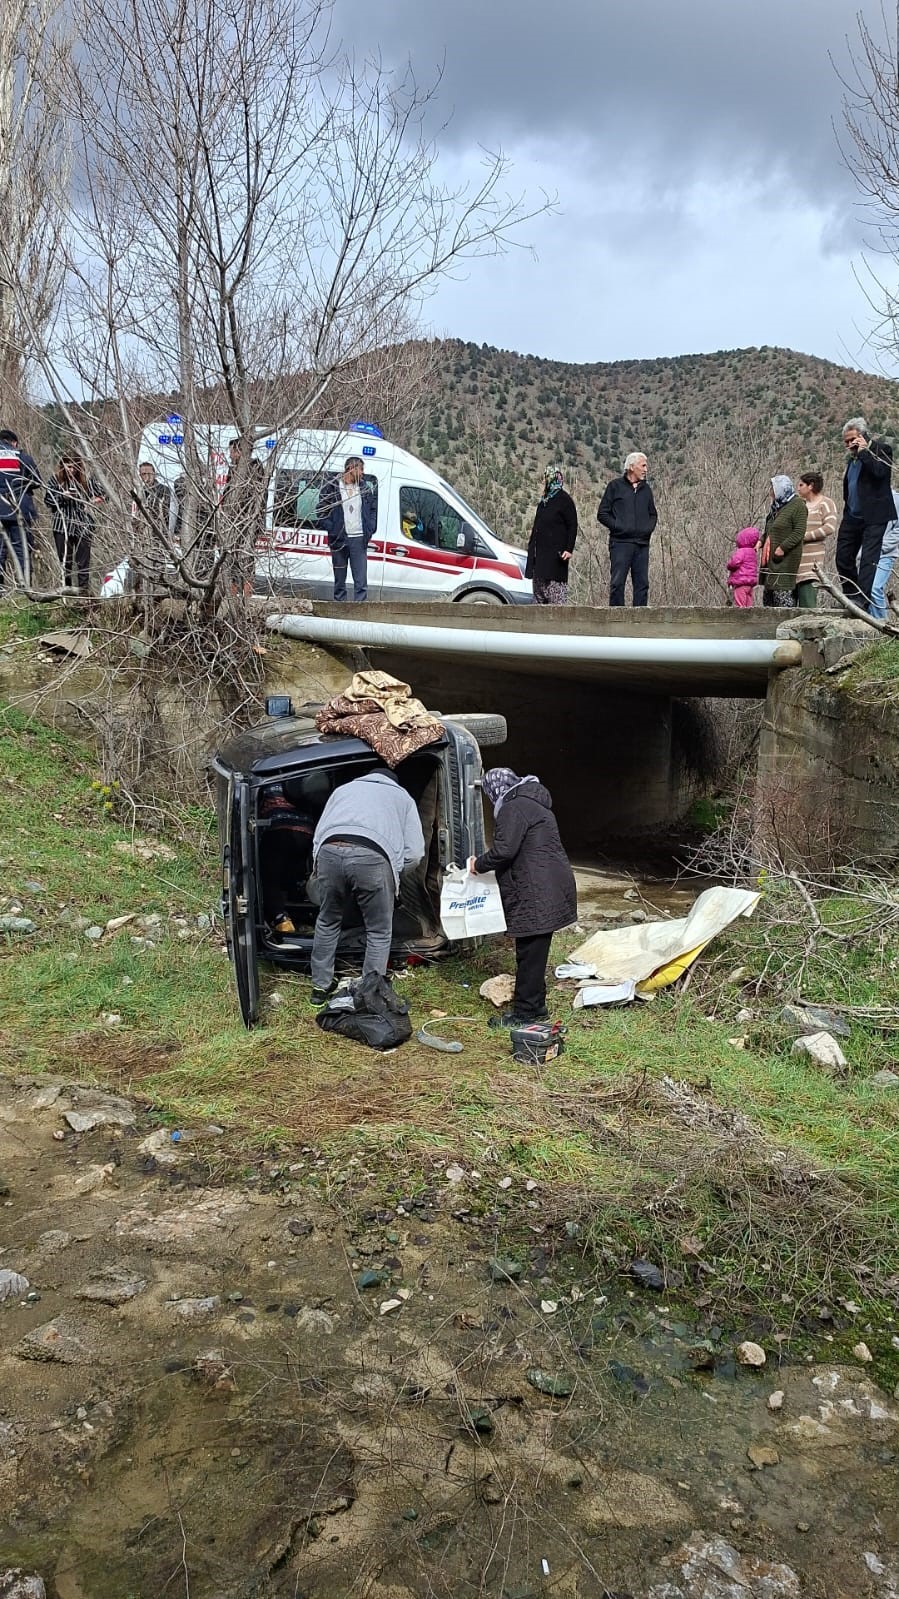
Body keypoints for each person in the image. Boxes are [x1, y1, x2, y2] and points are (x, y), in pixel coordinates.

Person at [468, 767, 577, 1029]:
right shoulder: (533, 803)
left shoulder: (513, 806)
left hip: (536, 892)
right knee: (534, 952)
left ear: (496, 789)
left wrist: (478, 864)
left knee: (529, 953)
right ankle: (535, 1007)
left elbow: (505, 850)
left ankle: (526, 1014)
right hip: (547, 887)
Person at [309, 768, 424, 1003]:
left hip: (329, 850)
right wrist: (393, 874)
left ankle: (319, 988)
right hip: (373, 856)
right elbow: (415, 853)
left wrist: (318, 865)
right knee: (379, 930)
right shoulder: (402, 797)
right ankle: (370, 992)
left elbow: (318, 834)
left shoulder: (343, 790)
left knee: (328, 920)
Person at [836, 418, 894, 609]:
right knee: (843, 557)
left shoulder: (882, 450)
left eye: (851, 439)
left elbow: (879, 473)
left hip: (874, 517)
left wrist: (864, 452)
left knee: (869, 560)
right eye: (845, 441)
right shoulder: (852, 459)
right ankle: (851, 596)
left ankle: (862, 600)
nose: (848, 445)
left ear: (862, 436)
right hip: (852, 516)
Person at [597, 451, 657, 607]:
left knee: (642, 585)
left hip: (642, 545)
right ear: (631, 467)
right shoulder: (615, 487)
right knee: (617, 584)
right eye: (643, 465)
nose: (646, 469)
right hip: (620, 543)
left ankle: (640, 621)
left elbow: (653, 515)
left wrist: (647, 530)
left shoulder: (646, 490)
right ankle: (616, 620)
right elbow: (602, 513)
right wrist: (618, 526)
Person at [258, 781, 316, 937]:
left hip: (278, 829)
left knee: (270, 877)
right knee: (294, 874)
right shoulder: (304, 778)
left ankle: (280, 918)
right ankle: (302, 917)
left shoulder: (266, 778)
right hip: (306, 832)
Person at [317, 456, 376, 602]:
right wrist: (333, 529)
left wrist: (371, 527)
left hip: (359, 539)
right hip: (339, 540)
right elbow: (321, 512)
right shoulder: (331, 487)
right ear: (350, 468)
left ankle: (359, 614)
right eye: (360, 469)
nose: (363, 473)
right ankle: (339, 612)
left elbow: (373, 509)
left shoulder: (364, 489)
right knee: (339, 582)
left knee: (361, 582)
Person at [45, 454, 104, 593]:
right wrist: (63, 496)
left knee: (83, 561)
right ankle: (66, 589)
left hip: (83, 522)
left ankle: (84, 591)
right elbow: (48, 500)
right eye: (68, 466)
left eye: (74, 467)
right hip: (62, 523)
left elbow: (102, 494)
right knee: (65, 559)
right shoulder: (55, 480)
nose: (71, 470)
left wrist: (92, 501)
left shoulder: (86, 481)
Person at [525, 465, 577, 604]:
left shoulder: (564, 500)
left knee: (556, 603)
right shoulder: (544, 501)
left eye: (545, 478)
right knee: (539, 601)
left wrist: (568, 549)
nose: (543, 481)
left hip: (555, 559)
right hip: (540, 560)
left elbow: (572, 525)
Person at [220, 437, 265, 595]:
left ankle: (246, 592)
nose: (230, 455)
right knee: (231, 557)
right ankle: (231, 592)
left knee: (246, 558)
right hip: (232, 521)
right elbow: (228, 495)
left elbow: (256, 498)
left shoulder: (255, 468)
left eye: (232, 451)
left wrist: (256, 522)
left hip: (247, 521)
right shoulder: (233, 470)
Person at [0, 427, 41, 587]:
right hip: (19, 508)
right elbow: (37, 481)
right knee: (21, 547)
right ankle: (24, 586)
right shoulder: (22, 456)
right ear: (14, 443)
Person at [759, 476, 807, 609]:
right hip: (770, 563)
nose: (771, 492)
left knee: (782, 600)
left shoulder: (798, 505)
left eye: (773, 489)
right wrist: (760, 542)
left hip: (784, 560)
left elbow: (799, 532)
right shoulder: (776, 508)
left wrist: (782, 548)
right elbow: (770, 530)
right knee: (768, 602)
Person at [795, 472, 838, 609]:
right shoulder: (798, 504)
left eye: (801, 485)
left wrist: (805, 536)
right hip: (794, 564)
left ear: (811, 486)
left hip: (811, 566)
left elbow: (829, 527)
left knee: (807, 608)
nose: (798, 488)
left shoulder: (826, 503)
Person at [870, 487, 899, 620]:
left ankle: (883, 627)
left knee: (874, 588)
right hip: (865, 554)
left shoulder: (896, 500)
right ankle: (871, 626)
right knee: (864, 591)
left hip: (885, 553)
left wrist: (882, 546)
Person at [132, 462, 172, 541]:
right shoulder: (139, 492)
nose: (147, 476)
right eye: (143, 474)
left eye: (149, 473)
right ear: (140, 476)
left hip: (159, 531)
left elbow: (166, 512)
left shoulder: (164, 490)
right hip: (142, 533)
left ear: (154, 474)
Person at [725, 527, 759, 609]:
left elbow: (734, 563)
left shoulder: (741, 551)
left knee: (740, 605)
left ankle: (741, 619)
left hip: (741, 582)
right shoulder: (753, 552)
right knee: (748, 604)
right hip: (750, 583)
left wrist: (729, 565)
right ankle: (749, 618)